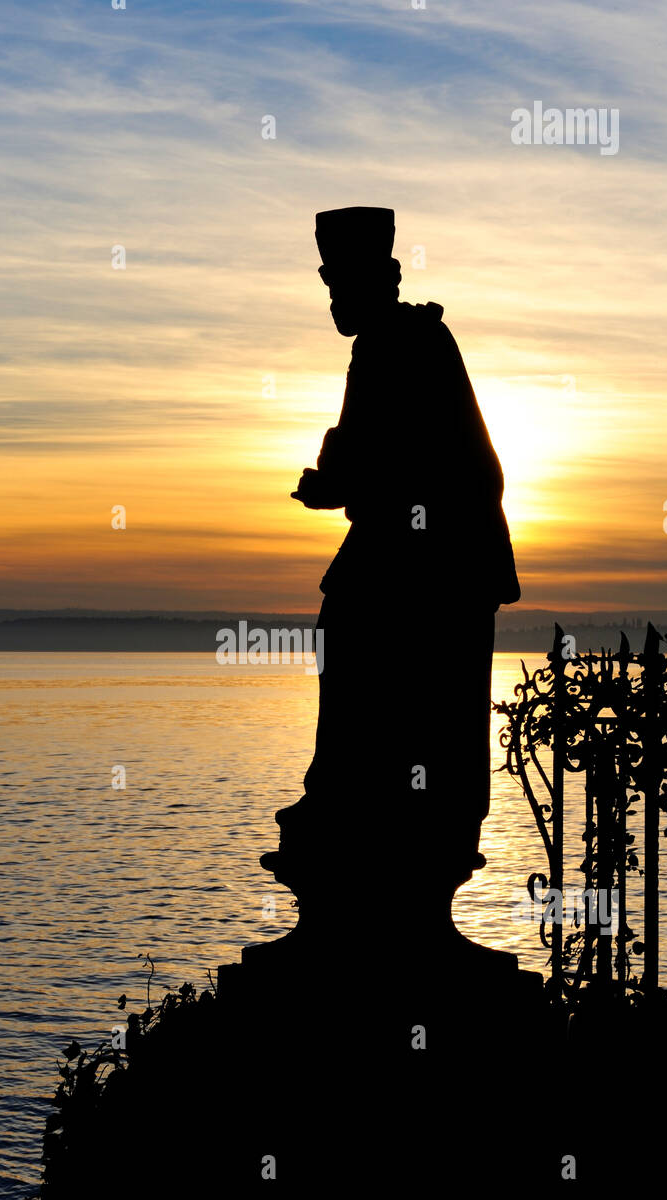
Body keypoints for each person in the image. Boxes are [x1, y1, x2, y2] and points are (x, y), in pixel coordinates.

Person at [261, 206, 520, 951]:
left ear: (379, 279)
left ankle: (363, 803)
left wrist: (333, 481)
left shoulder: (406, 342)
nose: (333, 300)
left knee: (359, 631)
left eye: (340, 283)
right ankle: (349, 795)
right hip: (409, 550)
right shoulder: (391, 343)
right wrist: (340, 477)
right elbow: (370, 450)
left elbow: (402, 458)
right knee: (350, 626)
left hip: (426, 559)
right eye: (328, 284)